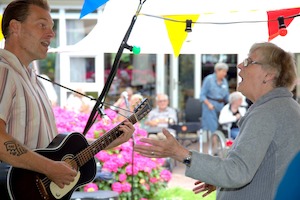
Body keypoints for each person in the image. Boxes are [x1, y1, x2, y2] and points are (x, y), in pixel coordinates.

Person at [0, 1, 135, 199]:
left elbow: (52, 148)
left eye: (52, 28)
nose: (51, 34)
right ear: (15, 27)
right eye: (42, 25)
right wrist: (50, 168)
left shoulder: (33, 79)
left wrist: (108, 141)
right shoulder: (3, 70)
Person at [134, 42, 300, 200]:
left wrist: (180, 153)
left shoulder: (267, 113)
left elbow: (237, 172)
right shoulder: (285, 107)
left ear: (268, 75)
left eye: (249, 61)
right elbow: (266, 168)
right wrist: (220, 178)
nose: (240, 65)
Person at [200, 62, 230, 135]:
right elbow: (202, 95)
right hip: (210, 106)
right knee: (213, 127)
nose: (225, 74)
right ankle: (213, 145)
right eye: (223, 71)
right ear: (217, 71)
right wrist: (209, 104)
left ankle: (220, 144)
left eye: (226, 72)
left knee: (222, 125)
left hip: (221, 106)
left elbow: (227, 96)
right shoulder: (209, 79)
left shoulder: (224, 81)